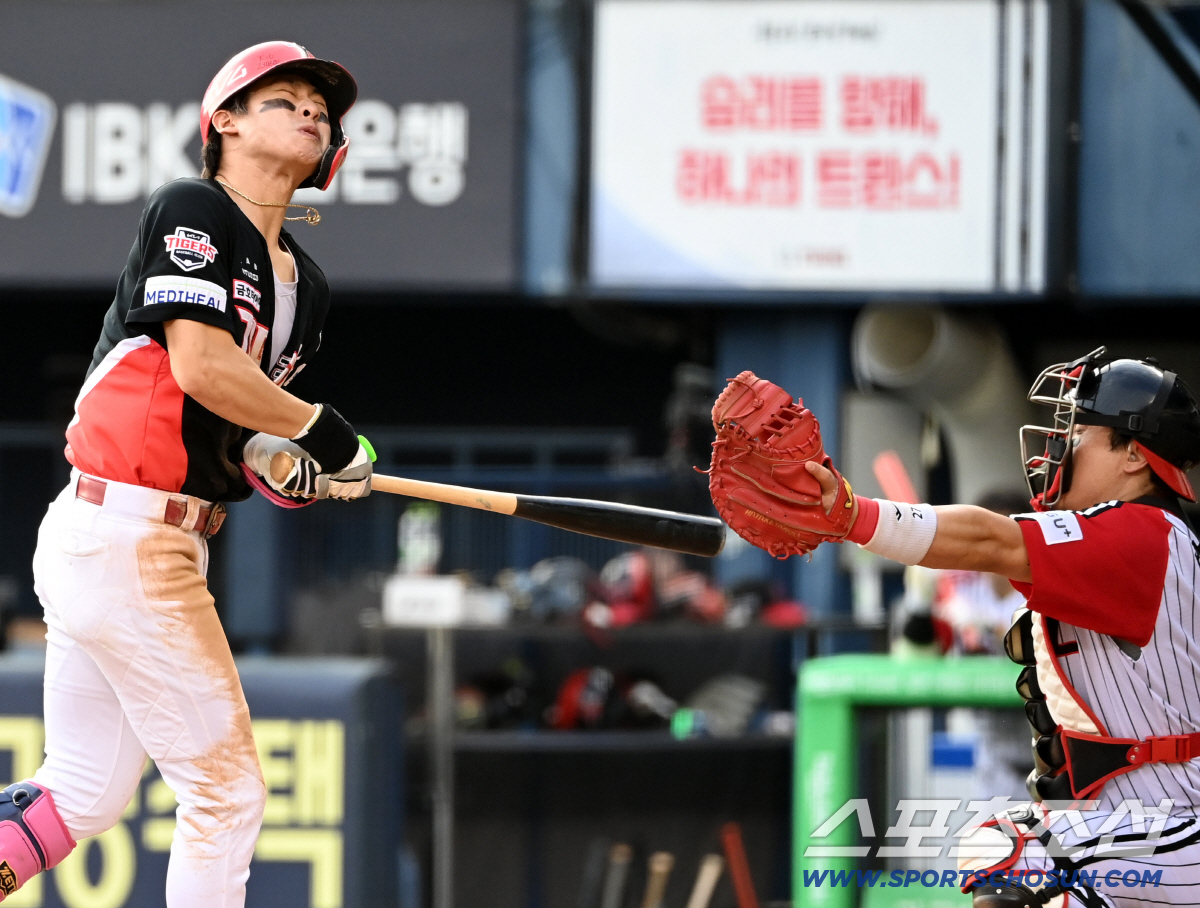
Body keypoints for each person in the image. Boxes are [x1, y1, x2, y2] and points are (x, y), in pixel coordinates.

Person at [0, 42, 371, 907]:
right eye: (283, 99)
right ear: (225, 121)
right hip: (126, 534)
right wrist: (324, 431)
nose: (311, 112)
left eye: (321, 107)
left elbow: (230, 426)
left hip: (151, 536)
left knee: (82, 795)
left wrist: (292, 462)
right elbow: (202, 365)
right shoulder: (193, 206)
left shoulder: (304, 288)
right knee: (229, 793)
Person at [711, 348, 1200, 906]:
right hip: (1142, 829)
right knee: (1033, 861)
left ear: (1135, 456)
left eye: (1081, 431)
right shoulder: (1139, 541)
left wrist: (853, 515)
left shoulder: (1142, 534)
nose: (1059, 445)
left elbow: (991, 539)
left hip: (1173, 827)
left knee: (1010, 848)